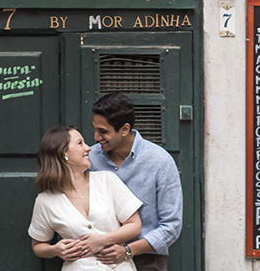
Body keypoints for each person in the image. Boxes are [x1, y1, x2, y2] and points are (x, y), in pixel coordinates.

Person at [88, 93, 183, 271]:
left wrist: (128, 251)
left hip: (147, 261)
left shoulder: (160, 162)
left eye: (103, 131)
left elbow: (172, 226)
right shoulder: (89, 158)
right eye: (95, 129)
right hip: (96, 258)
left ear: (124, 129)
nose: (96, 137)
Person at [28, 125, 143, 270]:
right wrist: (55, 250)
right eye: (80, 143)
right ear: (64, 153)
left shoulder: (107, 180)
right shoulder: (45, 201)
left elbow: (134, 225)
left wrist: (102, 240)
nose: (88, 148)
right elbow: (38, 245)